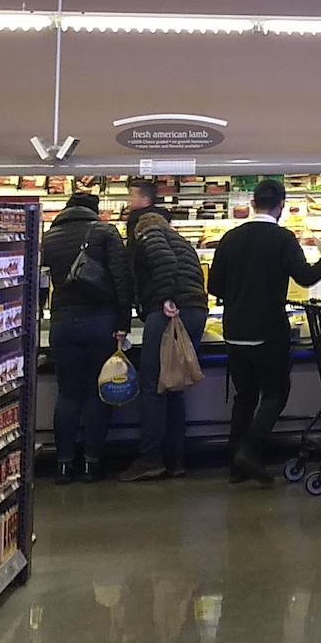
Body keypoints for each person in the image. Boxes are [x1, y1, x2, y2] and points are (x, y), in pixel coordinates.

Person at [206, 178, 321, 485]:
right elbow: (305, 277)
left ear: (253, 204)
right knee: (276, 394)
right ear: (281, 206)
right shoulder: (282, 238)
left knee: (245, 396)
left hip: (234, 331)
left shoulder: (231, 237)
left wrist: (239, 294)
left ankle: (235, 464)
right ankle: (248, 452)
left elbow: (214, 286)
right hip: (268, 331)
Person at [115, 178, 210, 482]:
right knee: (175, 384)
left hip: (170, 312)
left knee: (154, 385)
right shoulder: (179, 239)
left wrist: (167, 298)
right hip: (194, 310)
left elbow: (164, 263)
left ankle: (150, 459)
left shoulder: (149, 234)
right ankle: (176, 460)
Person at [41, 191, 125, 484]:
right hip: (100, 321)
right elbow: (120, 278)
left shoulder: (49, 237)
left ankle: (63, 465)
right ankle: (91, 464)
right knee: (96, 394)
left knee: (68, 394)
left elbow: (41, 281)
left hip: (63, 323)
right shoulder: (105, 232)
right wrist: (123, 321)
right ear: (95, 209)